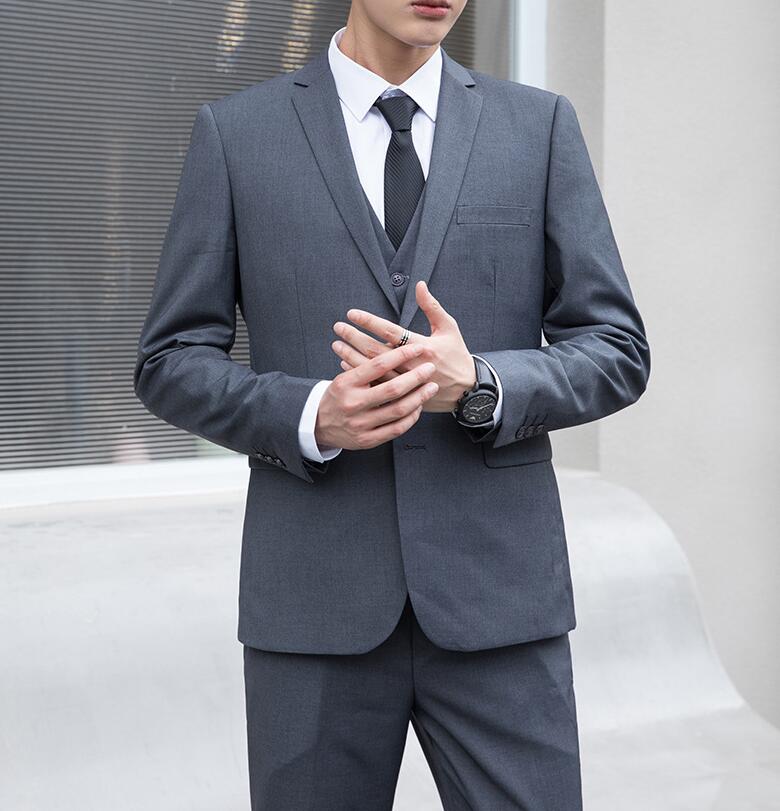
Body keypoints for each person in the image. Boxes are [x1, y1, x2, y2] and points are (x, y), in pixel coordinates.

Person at [134, 1, 650, 808]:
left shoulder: (537, 128)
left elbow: (617, 349)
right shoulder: (238, 136)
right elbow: (169, 361)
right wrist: (310, 415)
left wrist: (482, 383)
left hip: (499, 603)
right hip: (314, 606)